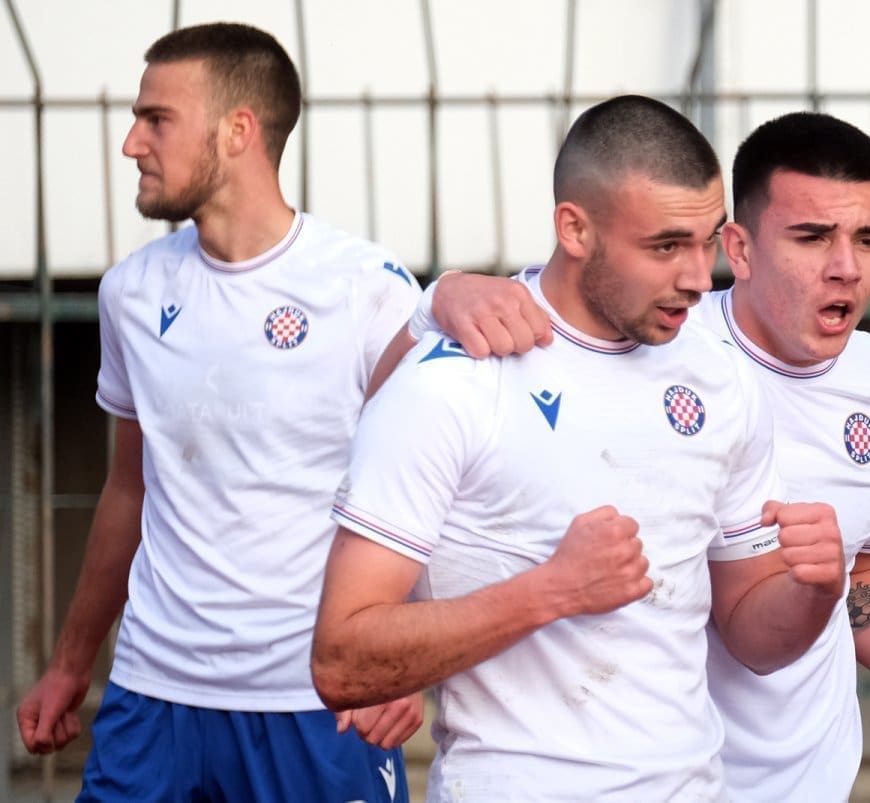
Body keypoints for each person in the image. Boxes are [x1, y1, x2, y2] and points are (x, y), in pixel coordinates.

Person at [11, 21, 532, 802]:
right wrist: (68, 664)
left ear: (237, 132)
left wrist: (402, 656)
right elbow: (129, 486)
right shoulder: (131, 291)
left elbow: (430, 491)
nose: (131, 144)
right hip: (155, 695)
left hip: (313, 702)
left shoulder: (363, 288)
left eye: (156, 119)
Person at [430, 110, 870, 801]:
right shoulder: (650, 334)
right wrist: (445, 293)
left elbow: (862, 564)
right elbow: (514, 317)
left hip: (811, 782)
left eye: (868, 239)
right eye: (812, 238)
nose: (845, 268)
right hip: (661, 779)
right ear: (741, 247)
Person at [310, 94, 845, 802]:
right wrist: (552, 591)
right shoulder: (456, 381)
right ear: (575, 228)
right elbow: (342, 660)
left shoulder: (721, 377)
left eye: (706, 241)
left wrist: (817, 591)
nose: (696, 277)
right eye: (664, 246)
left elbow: (751, 634)